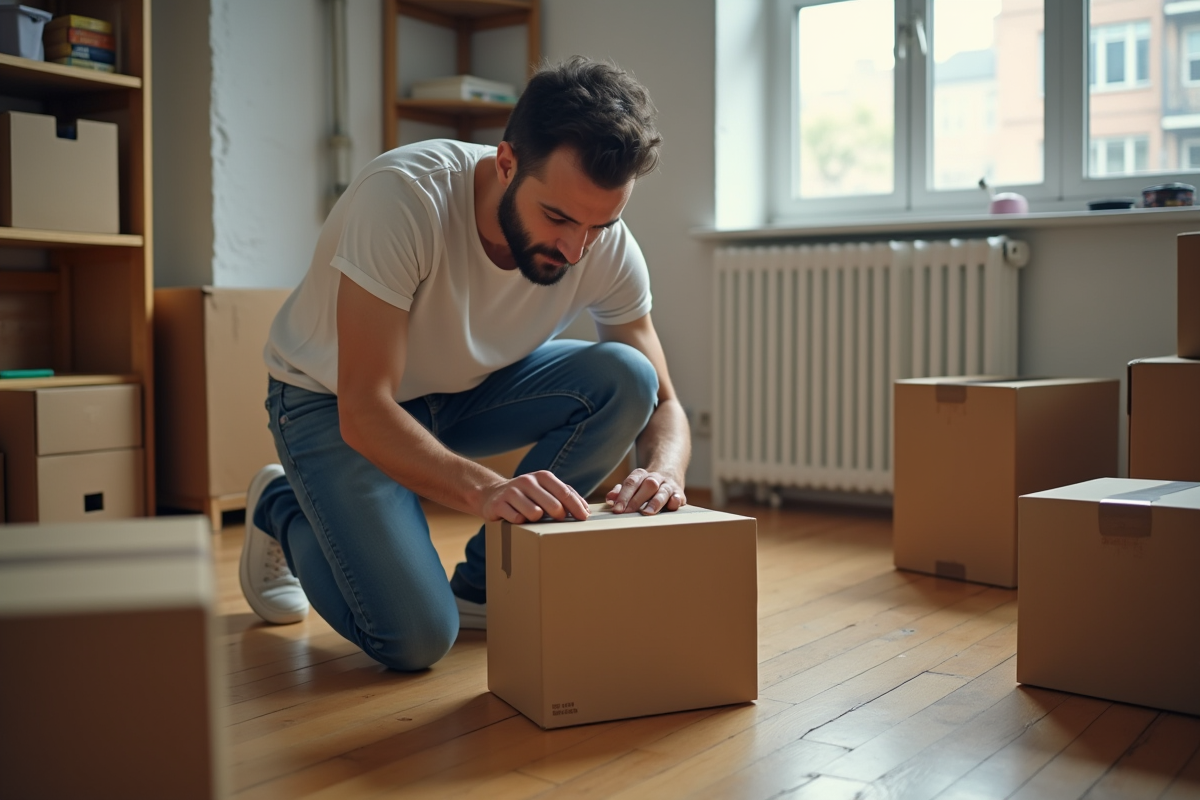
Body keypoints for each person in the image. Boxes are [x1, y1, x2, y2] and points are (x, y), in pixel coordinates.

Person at [239, 56, 690, 672]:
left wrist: (664, 473)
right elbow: (366, 407)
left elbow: (662, 400)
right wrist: (490, 490)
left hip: (462, 393)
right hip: (330, 400)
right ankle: (281, 503)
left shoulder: (601, 243)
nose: (576, 247)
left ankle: (483, 586)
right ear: (506, 163)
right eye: (557, 217)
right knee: (415, 639)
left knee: (627, 377)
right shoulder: (404, 198)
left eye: (599, 224)